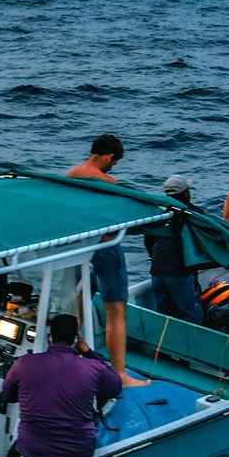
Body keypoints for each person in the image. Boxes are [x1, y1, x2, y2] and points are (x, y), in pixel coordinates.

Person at [67, 133, 149, 386]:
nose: (113, 167)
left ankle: (79, 349)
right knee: (116, 311)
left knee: (79, 299)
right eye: (114, 162)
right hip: (104, 247)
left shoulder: (70, 176)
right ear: (109, 157)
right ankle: (120, 374)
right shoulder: (108, 182)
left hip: (76, 249)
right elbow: (113, 225)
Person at [0, 313, 122, 457]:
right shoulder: (93, 367)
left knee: (13, 453)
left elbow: (8, 397)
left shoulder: (23, 363)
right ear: (76, 340)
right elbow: (115, 386)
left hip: (33, 456)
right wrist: (88, 352)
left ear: (49, 338)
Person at [143, 175, 204, 323]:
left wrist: (153, 256)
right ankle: (194, 345)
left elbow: (148, 237)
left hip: (157, 271)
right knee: (191, 316)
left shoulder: (160, 214)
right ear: (186, 193)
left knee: (164, 316)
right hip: (180, 272)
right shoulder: (195, 214)